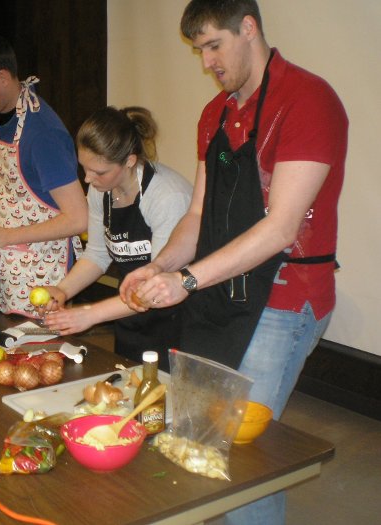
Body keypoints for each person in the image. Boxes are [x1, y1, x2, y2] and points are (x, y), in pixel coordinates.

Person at [119, 1, 348, 524]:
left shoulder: (308, 100)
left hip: (285, 299)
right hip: (222, 292)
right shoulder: (215, 114)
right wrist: (160, 266)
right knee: (196, 438)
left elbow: (281, 228)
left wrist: (188, 278)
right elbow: (198, 214)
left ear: (249, 28)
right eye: (199, 51)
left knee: (242, 458)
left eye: (214, 46)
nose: (206, 63)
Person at [0, 32, 88, 316]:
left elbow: (78, 217)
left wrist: (7, 236)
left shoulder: (43, 134)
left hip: (41, 271)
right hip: (3, 263)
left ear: (3, 78)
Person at [41, 106, 191, 366]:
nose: (88, 179)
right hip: (130, 315)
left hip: (179, 320)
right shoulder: (102, 190)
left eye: (99, 172)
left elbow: (156, 288)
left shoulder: (167, 197)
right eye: (84, 168)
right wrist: (62, 290)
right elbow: (98, 254)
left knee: (166, 401)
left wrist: (91, 314)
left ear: (130, 161)